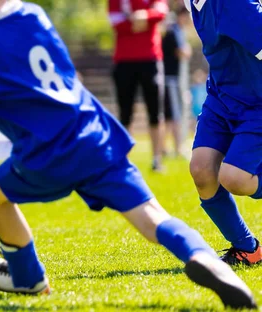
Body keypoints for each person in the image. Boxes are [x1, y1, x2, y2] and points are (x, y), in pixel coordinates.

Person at [0, 0, 257, 309]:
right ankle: (203, 258)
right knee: (152, 218)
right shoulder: (33, 14)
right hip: (95, 137)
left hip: (47, 154)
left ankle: (28, 278)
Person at [187, 0, 262, 266]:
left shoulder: (236, 3)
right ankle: (247, 248)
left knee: (236, 178)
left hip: (257, 104)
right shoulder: (193, 2)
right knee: (202, 170)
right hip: (221, 97)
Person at [109, 0, 168, 171]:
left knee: (155, 112)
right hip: (123, 60)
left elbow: (160, 13)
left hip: (150, 59)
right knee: (125, 112)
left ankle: (157, 159)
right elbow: (116, 22)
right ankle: (123, 160)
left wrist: (142, 16)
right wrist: (142, 21)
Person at [162, 7, 191, 158]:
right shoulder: (173, 31)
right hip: (171, 79)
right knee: (175, 114)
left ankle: (164, 147)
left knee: (169, 114)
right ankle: (178, 147)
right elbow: (182, 51)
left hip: (173, 78)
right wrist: (186, 50)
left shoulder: (177, 30)